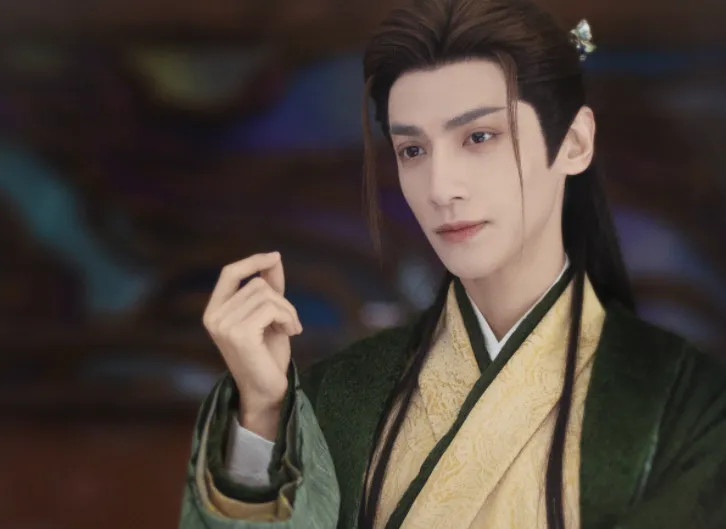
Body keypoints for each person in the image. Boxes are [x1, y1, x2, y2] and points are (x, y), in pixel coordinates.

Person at [178, 0, 726, 527]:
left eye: (479, 137)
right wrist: (262, 414)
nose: (441, 188)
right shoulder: (344, 394)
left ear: (574, 143)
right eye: (413, 150)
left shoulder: (680, 402)